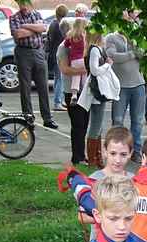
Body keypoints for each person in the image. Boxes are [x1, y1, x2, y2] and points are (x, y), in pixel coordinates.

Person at [10, 0, 58, 129]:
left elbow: (43, 28)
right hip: (23, 53)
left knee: (43, 87)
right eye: (21, 4)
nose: (23, 7)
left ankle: (47, 118)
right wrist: (34, 28)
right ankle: (28, 118)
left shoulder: (37, 14)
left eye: (25, 3)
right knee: (25, 88)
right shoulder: (14, 17)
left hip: (38, 52)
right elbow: (18, 34)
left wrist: (25, 26)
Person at [105, 31, 146, 161]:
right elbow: (113, 56)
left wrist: (134, 52)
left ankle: (136, 151)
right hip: (120, 86)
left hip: (138, 84)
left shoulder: (137, 35)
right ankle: (116, 150)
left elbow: (143, 53)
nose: (130, 15)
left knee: (138, 121)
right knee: (117, 121)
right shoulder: (112, 37)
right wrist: (132, 54)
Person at [78, 31, 117, 168]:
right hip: (97, 92)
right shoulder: (94, 50)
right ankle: (93, 159)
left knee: (98, 126)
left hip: (98, 91)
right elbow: (95, 71)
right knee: (96, 125)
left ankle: (97, 157)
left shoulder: (96, 49)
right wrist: (108, 64)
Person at [57, 33, 89, 165]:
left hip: (85, 90)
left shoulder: (84, 44)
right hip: (71, 91)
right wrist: (85, 70)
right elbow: (65, 69)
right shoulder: (63, 48)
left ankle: (81, 155)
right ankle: (77, 157)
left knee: (85, 123)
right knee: (78, 125)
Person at [46, 4, 68, 112]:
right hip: (59, 55)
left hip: (54, 54)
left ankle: (59, 101)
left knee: (58, 79)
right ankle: (58, 102)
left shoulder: (53, 24)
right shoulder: (60, 25)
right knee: (60, 79)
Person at [63, 18, 88, 106]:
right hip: (83, 59)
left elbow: (66, 45)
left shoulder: (71, 35)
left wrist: (71, 47)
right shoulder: (84, 35)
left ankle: (74, 95)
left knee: (76, 77)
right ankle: (84, 94)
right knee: (84, 76)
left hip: (74, 60)